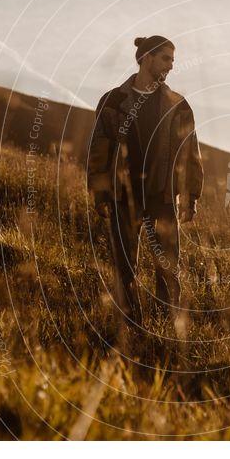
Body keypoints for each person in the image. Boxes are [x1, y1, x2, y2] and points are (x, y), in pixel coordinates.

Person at [87, 35, 204, 338]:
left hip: (161, 196)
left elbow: (190, 152)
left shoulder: (178, 105)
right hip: (121, 196)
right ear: (146, 57)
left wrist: (190, 197)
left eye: (173, 61)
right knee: (124, 265)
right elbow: (99, 148)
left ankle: (167, 329)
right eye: (165, 59)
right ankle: (131, 328)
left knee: (167, 267)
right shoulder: (113, 100)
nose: (170, 66)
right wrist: (100, 191)